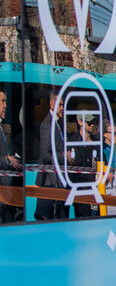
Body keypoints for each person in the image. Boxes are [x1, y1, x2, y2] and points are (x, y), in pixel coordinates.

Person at [35, 91, 68, 220]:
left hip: (56, 182)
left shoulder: (56, 124)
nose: (63, 109)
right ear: (52, 104)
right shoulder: (48, 124)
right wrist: (64, 156)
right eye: (60, 105)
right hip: (49, 182)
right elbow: (45, 154)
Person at [0, 89, 20, 222]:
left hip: (5, 193)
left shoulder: (1, 127)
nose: (6, 105)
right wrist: (8, 161)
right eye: (3, 101)